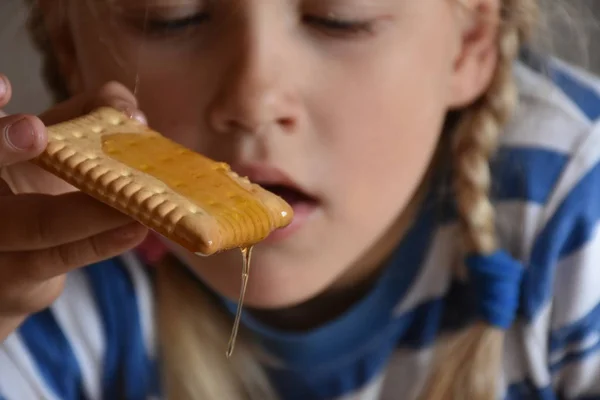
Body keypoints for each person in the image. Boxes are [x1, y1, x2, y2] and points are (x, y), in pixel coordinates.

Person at [1, 0, 599, 399]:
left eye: (340, 17)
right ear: (70, 51)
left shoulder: (578, 210)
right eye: (172, 16)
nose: (254, 96)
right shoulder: (41, 255)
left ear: (470, 41)